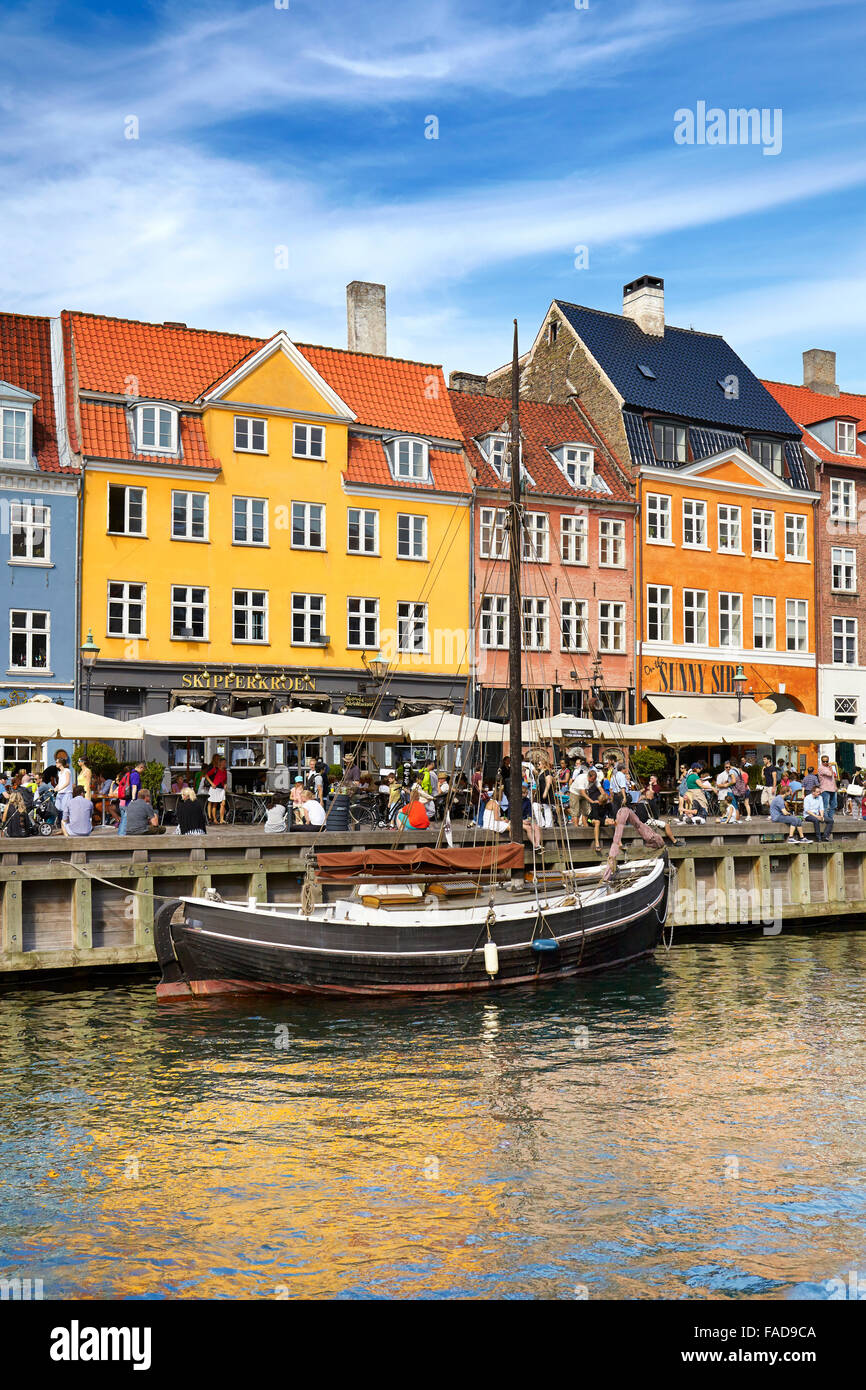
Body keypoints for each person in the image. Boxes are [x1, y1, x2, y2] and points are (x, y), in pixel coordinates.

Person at [117, 761, 144, 835]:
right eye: (143, 769)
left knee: (123, 820)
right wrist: (133, 799)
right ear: (141, 767)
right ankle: (121, 835)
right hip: (130, 801)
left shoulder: (129, 773)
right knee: (126, 819)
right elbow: (134, 787)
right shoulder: (135, 775)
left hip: (125, 800)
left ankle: (120, 834)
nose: (143, 771)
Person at [202, 756, 227, 825]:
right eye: (224, 763)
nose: (225, 764)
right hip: (215, 788)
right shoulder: (215, 769)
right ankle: (215, 819)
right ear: (220, 763)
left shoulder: (225, 771)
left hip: (222, 789)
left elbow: (225, 779)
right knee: (215, 804)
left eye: (225, 763)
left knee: (223, 804)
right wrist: (212, 783)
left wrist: (225, 784)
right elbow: (207, 775)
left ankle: (222, 819)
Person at [569, 759, 591, 826]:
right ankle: (577, 826)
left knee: (582, 810)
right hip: (576, 791)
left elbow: (571, 781)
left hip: (580, 791)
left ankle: (583, 825)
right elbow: (571, 780)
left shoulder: (578, 771)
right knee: (578, 810)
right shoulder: (577, 771)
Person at [817, 755, 838, 822]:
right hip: (825, 788)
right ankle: (826, 819)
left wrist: (835, 787)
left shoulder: (829, 767)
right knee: (825, 805)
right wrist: (831, 767)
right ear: (821, 761)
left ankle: (830, 818)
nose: (825, 763)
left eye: (827, 761)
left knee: (834, 804)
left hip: (832, 788)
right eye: (824, 761)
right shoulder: (821, 768)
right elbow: (829, 774)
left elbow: (833, 778)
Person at [54, 750, 73, 821]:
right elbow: (60, 782)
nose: (55, 763)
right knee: (58, 808)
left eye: (56, 762)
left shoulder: (67, 771)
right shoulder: (59, 772)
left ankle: (66, 824)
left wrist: (60, 788)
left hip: (66, 793)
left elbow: (67, 782)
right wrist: (57, 787)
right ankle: (61, 824)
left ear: (61, 763)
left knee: (65, 810)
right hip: (60, 793)